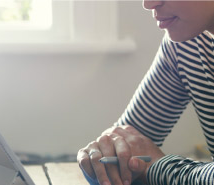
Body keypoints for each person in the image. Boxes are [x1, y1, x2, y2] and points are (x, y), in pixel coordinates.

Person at [77, 1, 214, 185]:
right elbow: (126, 146)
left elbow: (145, 162)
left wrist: (157, 166)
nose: (149, 4)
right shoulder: (187, 44)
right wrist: (102, 152)